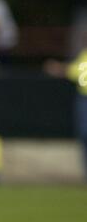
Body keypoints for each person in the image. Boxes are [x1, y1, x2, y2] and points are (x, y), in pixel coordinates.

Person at [44, 49, 87, 182]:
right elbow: (78, 71)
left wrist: (60, 68)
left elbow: (78, 73)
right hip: (84, 97)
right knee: (84, 135)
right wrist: (62, 69)